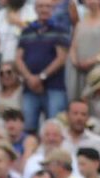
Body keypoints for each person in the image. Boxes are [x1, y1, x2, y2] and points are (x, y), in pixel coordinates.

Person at [14, 0, 69, 134]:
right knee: (28, 127)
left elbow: (61, 58)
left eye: (48, 6)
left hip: (54, 86)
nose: (44, 9)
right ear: (35, 8)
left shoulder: (60, 29)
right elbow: (18, 58)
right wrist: (30, 78)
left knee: (55, 127)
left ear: (53, 8)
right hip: (30, 87)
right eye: (41, 6)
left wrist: (41, 77)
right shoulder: (27, 30)